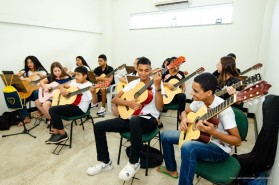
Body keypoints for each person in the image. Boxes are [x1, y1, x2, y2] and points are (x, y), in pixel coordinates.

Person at [87, 57, 164, 180]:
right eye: (140, 70)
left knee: (135, 120)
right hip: (131, 117)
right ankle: (105, 162)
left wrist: (158, 87)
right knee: (98, 126)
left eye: (146, 70)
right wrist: (129, 104)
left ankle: (134, 163)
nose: (143, 73)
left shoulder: (157, 84)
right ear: (136, 69)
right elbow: (115, 99)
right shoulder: (133, 84)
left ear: (150, 70)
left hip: (150, 120)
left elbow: (159, 108)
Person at [157, 72, 242, 185]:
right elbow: (184, 112)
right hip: (199, 136)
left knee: (188, 147)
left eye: (196, 91)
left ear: (209, 93)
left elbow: (237, 141)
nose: (191, 93)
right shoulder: (199, 101)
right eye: (192, 89)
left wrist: (214, 132)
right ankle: (171, 169)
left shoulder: (225, 110)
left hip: (218, 148)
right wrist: (183, 119)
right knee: (165, 136)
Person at [45, 66, 97, 144]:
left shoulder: (88, 86)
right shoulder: (74, 82)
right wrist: (63, 90)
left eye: (78, 75)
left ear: (85, 76)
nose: (76, 77)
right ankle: (56, 132)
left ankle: (62, 134)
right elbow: (60, 85)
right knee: (53, 106)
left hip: (80, 109)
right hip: (70, 104)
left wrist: (93, 92)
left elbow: (95, 102)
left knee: (53, 109)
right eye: (75, 75)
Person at [17, 55, 48, 126]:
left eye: (31, 62)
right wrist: (24, 78)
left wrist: (39, 74)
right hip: (28, 92)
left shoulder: (41, 70)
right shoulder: (24, 71)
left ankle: (40, 111)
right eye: (28, 63)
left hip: (40, 92)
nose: (29, 64)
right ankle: (26, 118)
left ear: (35, 62)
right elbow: (16, 77)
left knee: (36, 91)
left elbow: (46, 78)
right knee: (19, 98)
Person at [39, 62, 72, 128]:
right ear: (52, 71)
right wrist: (45, 87)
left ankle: (54, 122)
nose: (57, 72)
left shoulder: (67, 77)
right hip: (54, 96)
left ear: (61, 69)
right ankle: (53, 121)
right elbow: (41, 82)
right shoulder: (51, 77)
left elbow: (71, 87)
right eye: (55, 71)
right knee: (38, 102)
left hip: (62, 96)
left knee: (45, 104)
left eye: (58, 70)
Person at [158, 57, 186, 128]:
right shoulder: (165, 72)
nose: (175, 65)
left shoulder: (181, 74)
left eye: (177, 63)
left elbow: (184, 87)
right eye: (173, 63)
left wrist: (182, 92)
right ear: (170, 64)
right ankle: (156, 119)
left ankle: (181, 116)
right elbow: (158, 83)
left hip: (175, 97)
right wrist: (167, 84)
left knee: (182, 96)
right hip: (165, 95)